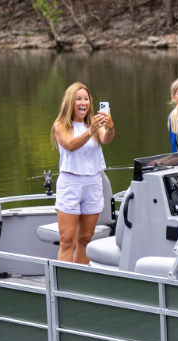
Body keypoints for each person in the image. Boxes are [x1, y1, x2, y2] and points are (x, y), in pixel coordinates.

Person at [51, 82, 114, 264]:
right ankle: (63, 286)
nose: (83, 103)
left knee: (85, 239)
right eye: (79, 99)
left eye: (86, 99)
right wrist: (90, 131)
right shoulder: (61, 125)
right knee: (67, 240)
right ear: (71, 102)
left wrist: (110, 127)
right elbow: (70, 145)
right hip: (70, 184)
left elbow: (106, 139)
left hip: (93, 184)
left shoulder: (94, 123)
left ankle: (79, 283)